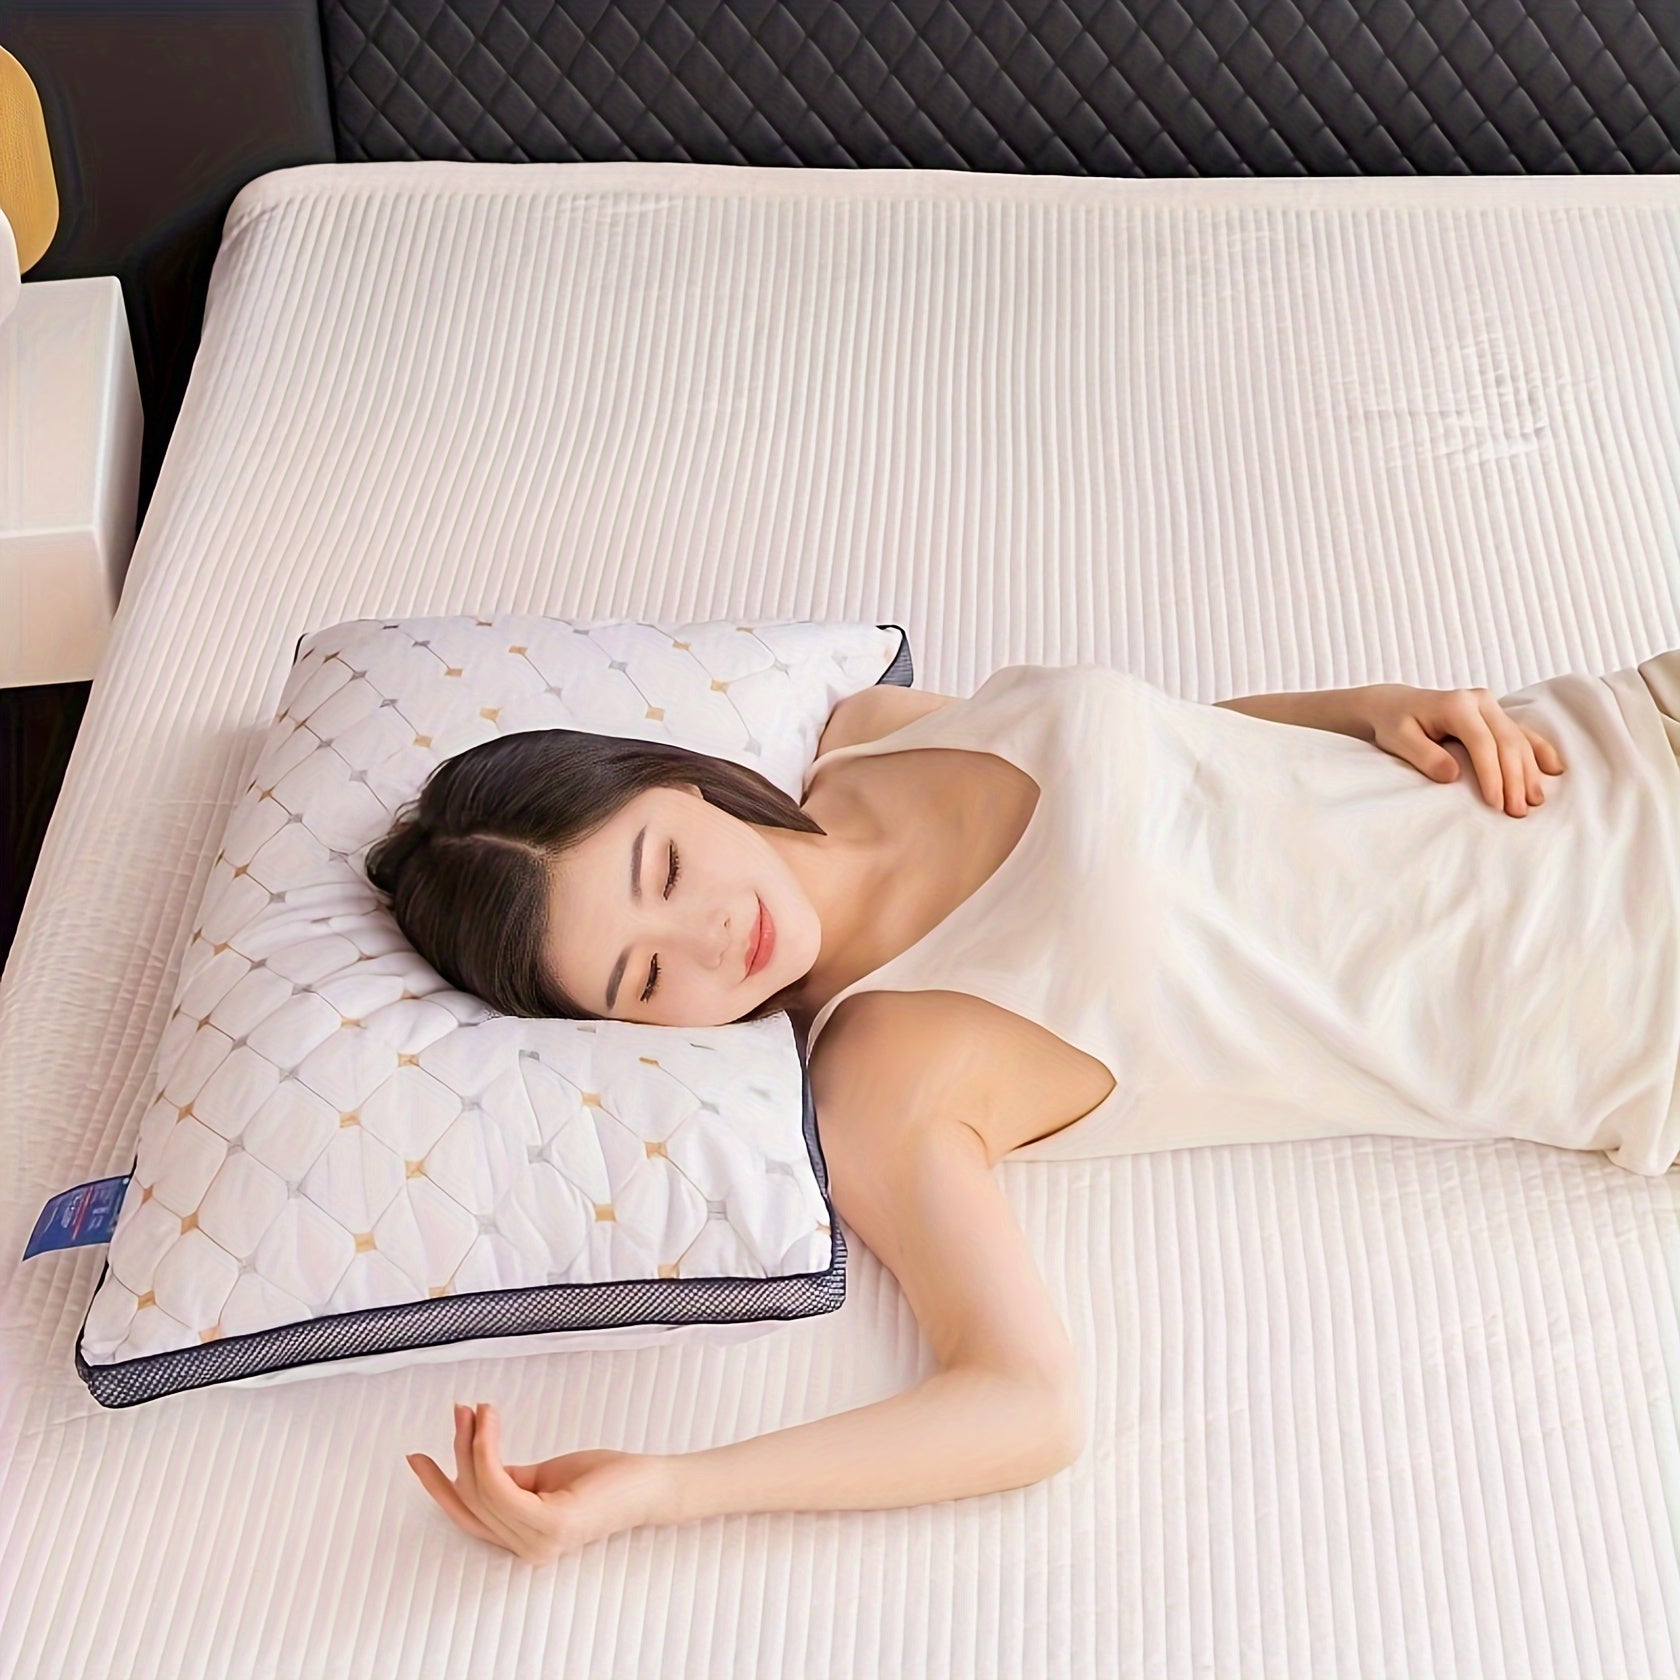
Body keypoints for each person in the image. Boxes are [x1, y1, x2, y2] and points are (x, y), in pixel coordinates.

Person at [376, 655, 1680, 1565]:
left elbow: (1185, 768)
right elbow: (1024, 1403)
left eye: (661, 867)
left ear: (673, 781)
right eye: (644, 978)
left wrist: (1369, 707)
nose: (712, 935)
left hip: (1620, 731)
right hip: (1643, 985)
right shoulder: (887, 1077)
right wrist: (668, 1490)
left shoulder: (874, 728)